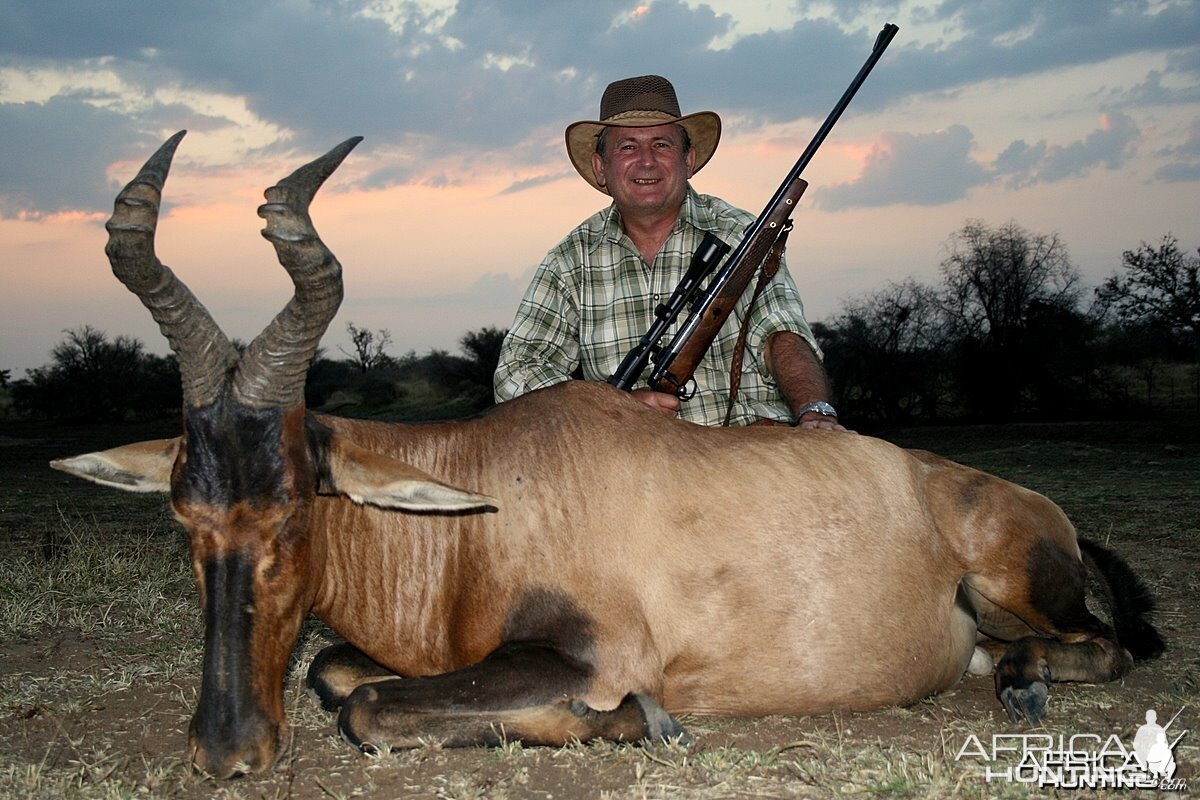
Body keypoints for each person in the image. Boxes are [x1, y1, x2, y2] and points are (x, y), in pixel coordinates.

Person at [494, 75, 845, 430]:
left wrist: (815, 412)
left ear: (688, 159)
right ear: (602, 169)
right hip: (631, 465)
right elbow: (515, 371)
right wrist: (609, 406)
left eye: (661, 144)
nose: (646, 161)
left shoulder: (741, 233)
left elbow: (781, 334)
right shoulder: (570, 259)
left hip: (749, 453)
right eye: (628, 147)